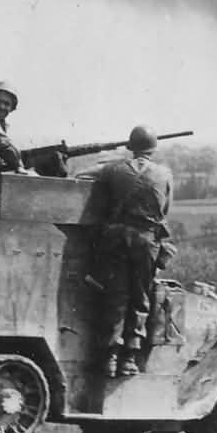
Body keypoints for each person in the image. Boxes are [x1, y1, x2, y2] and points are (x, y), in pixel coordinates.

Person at [86, 124, 174, 378]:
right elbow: (164, 212)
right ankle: (130, 358)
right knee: (140, 298)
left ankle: (110, 358)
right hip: (146, 242)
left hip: (115, 240)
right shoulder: (164, 174)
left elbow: (99, 207)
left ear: (130, 147)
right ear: (153, 150)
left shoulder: (112, 171)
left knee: (115, 297)